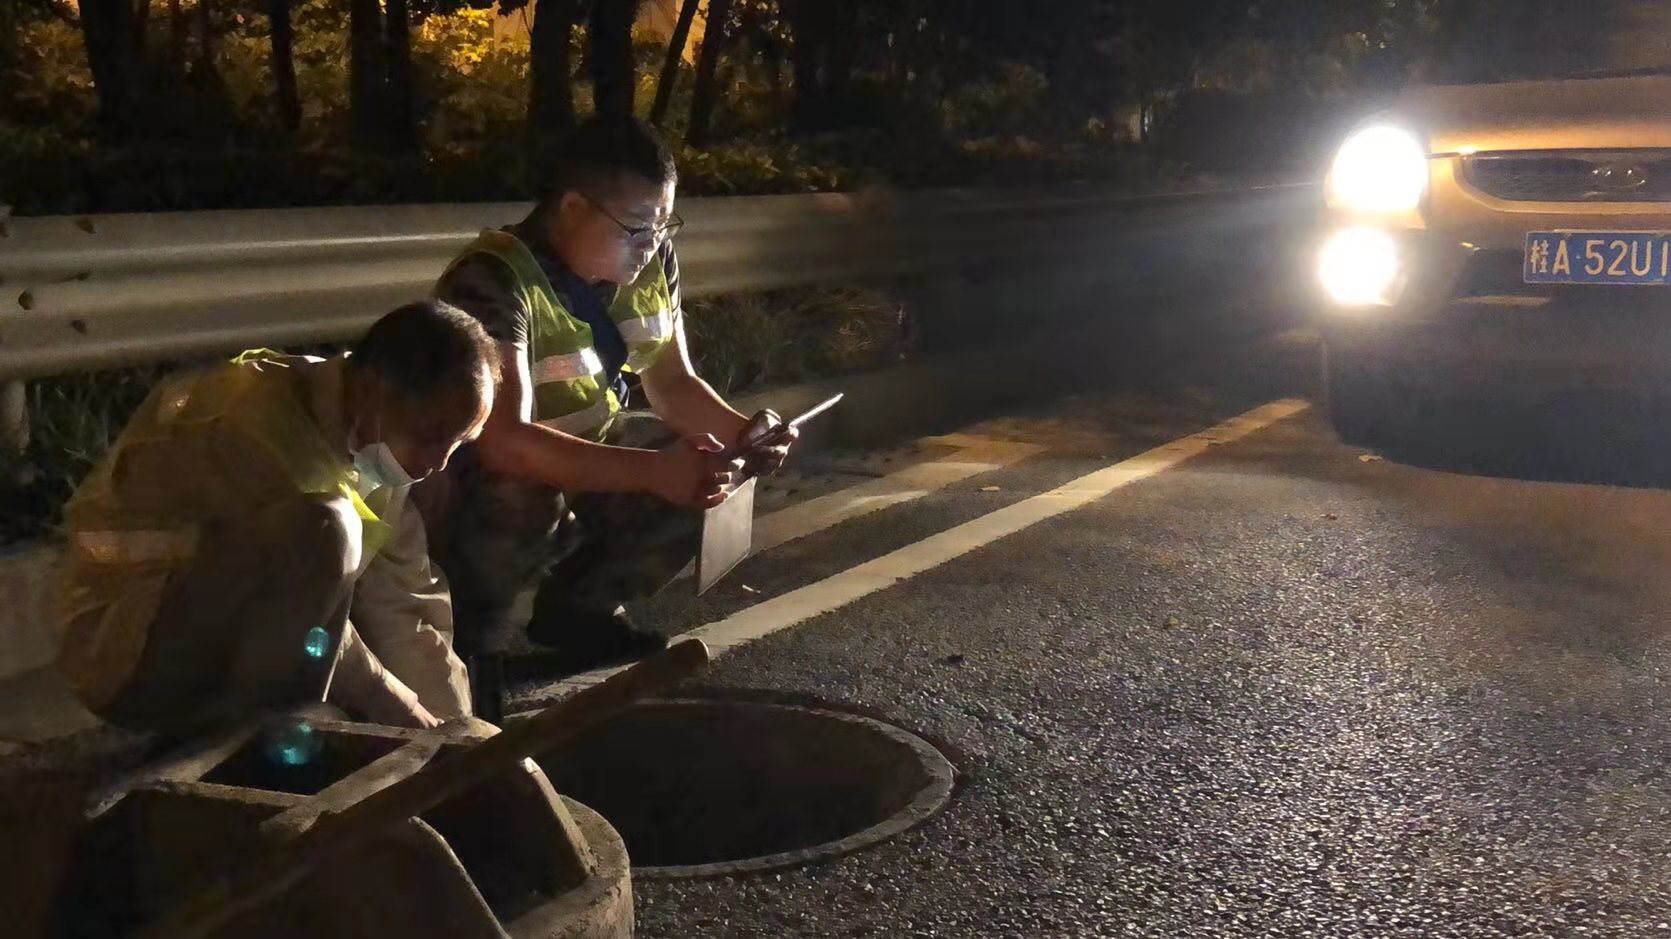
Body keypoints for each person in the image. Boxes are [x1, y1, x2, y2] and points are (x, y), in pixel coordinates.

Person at [429, 115, 797, 685]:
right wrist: (655, 472)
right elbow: (505, 443)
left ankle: (581, 613)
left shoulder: (654, 259)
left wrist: (744, 435)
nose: (652, 245)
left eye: (663, 225)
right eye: (637, 228)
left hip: (590, 452)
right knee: (518, 488)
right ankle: (467, 634)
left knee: (708, 462)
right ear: (574, 208)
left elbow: (672, 383)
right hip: (481, 483)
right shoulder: (493, 282)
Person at [54, 301, 498, 734]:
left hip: (219, 649)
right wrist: (403, 707)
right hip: (123, 656)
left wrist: (457, 732)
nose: (439, 463)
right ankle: (263, 742)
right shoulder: (246, 423)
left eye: (459, 442)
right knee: (328, 528)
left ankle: (280, 730)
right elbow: (316, 622)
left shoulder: (377, 440)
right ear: (371, 389)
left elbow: (405, 603)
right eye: (433, 435)